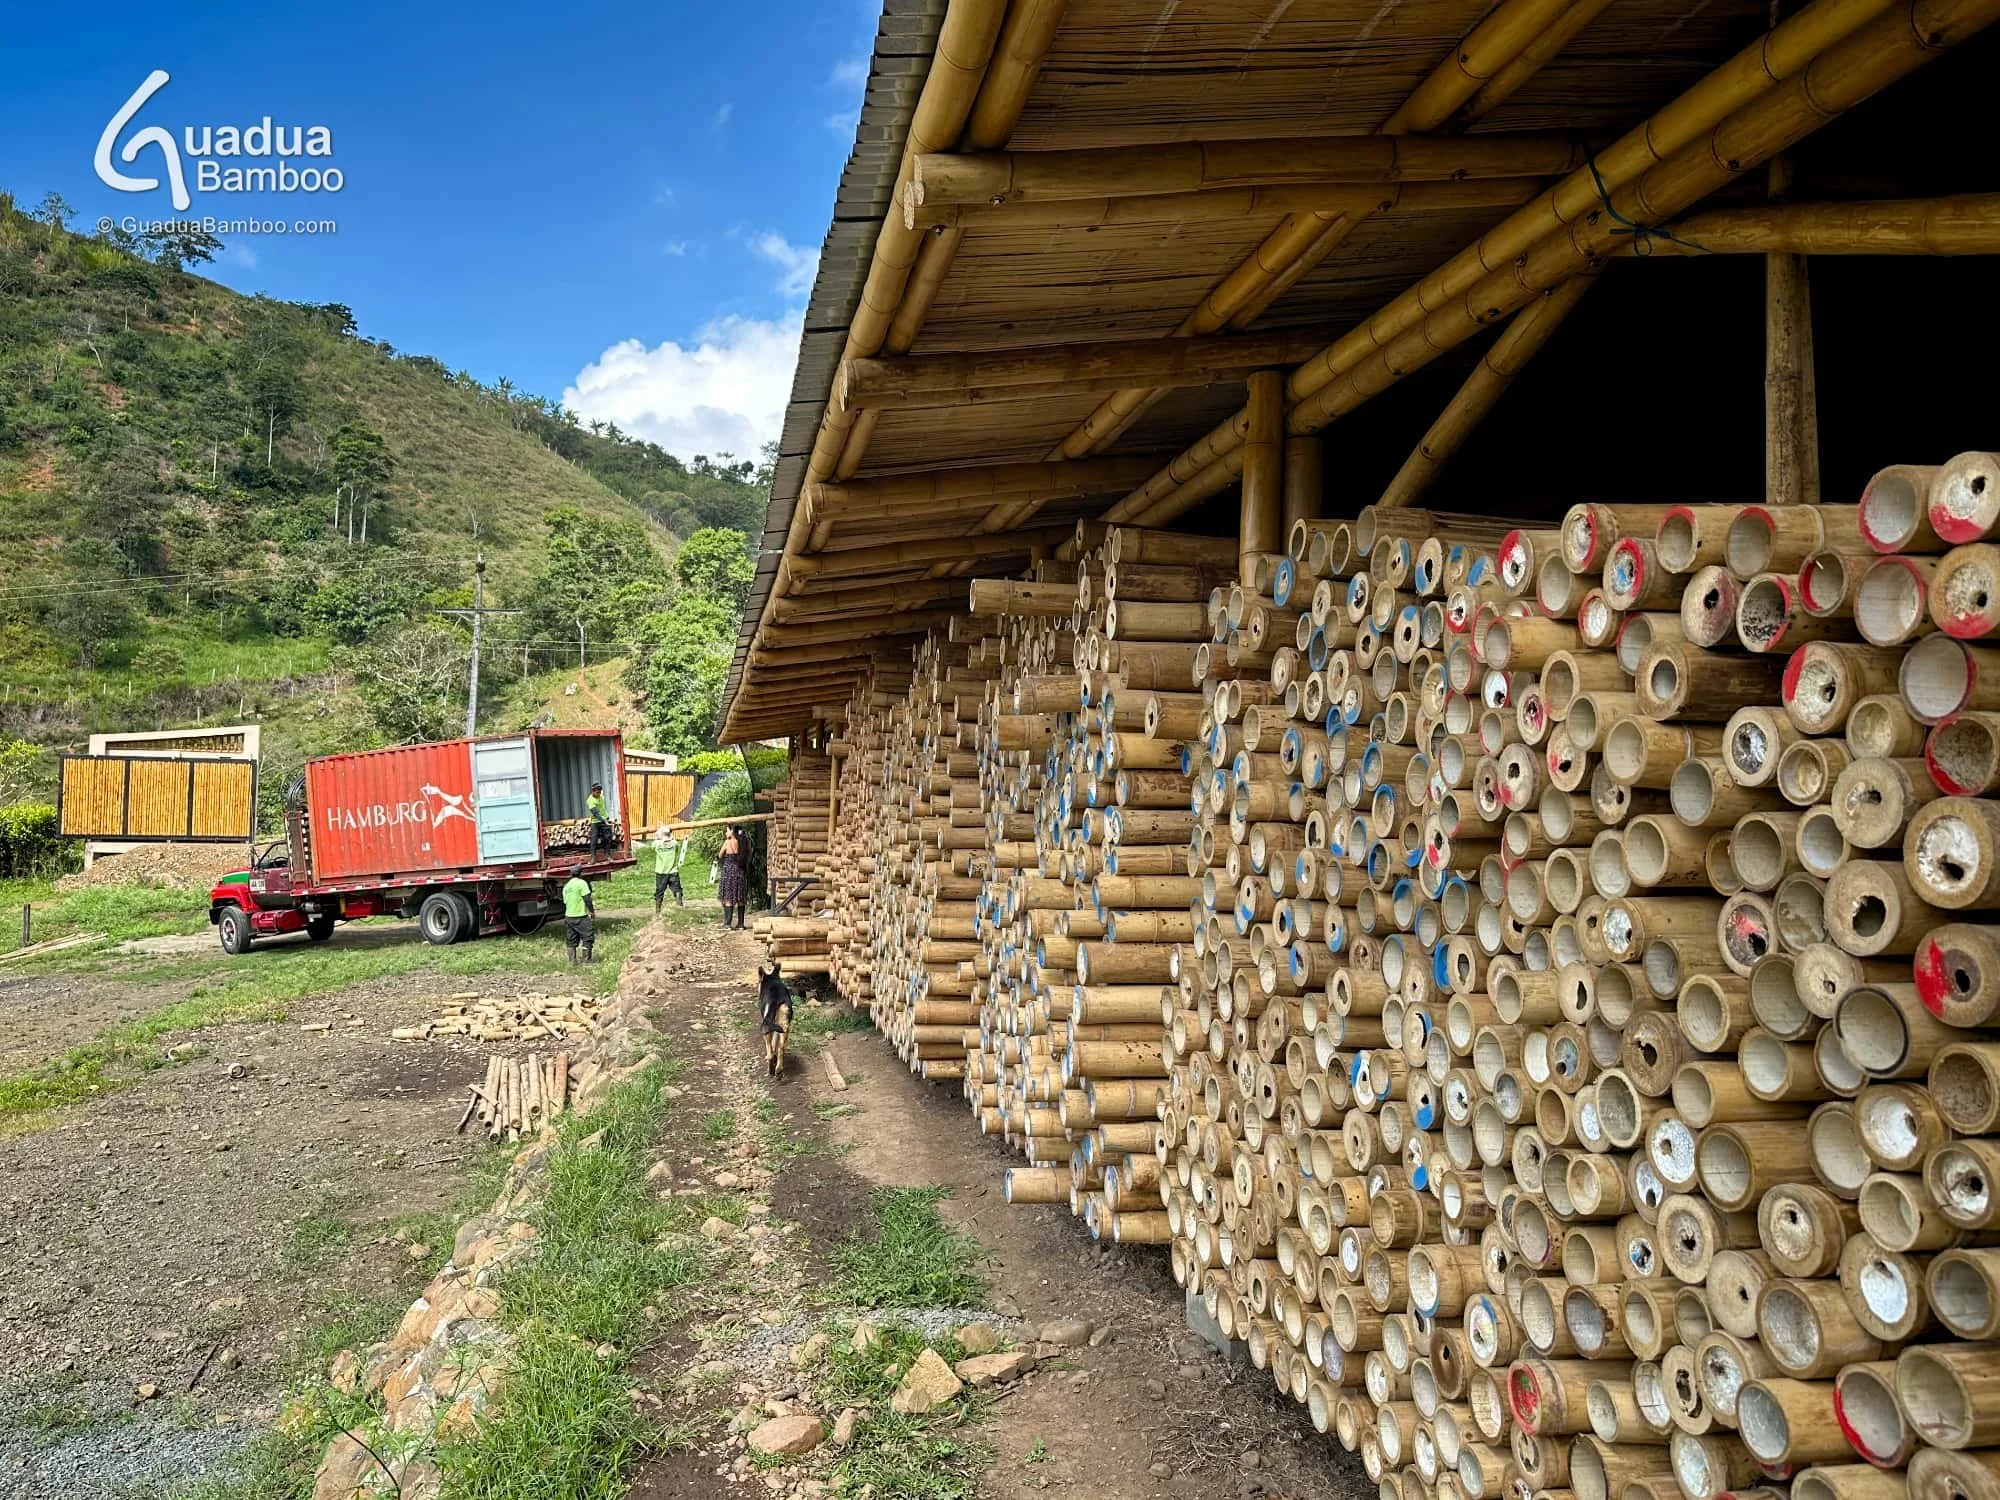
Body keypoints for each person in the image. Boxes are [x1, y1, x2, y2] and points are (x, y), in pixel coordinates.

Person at [717, 824, 748, 930]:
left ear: (732, 832)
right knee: (740, 897)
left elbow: (720, 855)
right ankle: (741, 924)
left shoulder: (727, 842)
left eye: (727, 831)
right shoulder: (742, 842)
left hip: (729, 872)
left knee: (728, 896)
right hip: (740, 871)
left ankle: (727, 923)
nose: (726, 833)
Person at [562, 871, 595, 964]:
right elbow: (587, 898)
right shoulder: (582, 883)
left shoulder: (566, 886)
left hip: (569, 916)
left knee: (571, 938)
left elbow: (565, 901)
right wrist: (591, 911)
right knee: (588, 937)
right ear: (581, 874)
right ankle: (586, 960)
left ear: (571, 875)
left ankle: (572, 961)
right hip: (581, 916)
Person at [652, 823, 687, 912]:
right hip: (673, 872)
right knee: (677, 890)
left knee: (659, 892)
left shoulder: (657, 844)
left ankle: (658, 911)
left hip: (661, 872)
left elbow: (654, 841)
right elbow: (674, 842)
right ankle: (680, 907)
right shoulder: (674, 844)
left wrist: (657, 835)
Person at [586, 782, 614, 859]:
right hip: (595, 821)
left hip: (604, 819)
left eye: (600, 792)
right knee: (594, 839)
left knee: (608, 837)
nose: (599, 794)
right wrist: (604, 821)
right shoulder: (590, 800)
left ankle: (608, 855)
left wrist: (606, 818)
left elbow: (603, 809)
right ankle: (593, 858)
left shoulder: (601, 796)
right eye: (597, 792)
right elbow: (595, 813)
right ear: (593, 791)